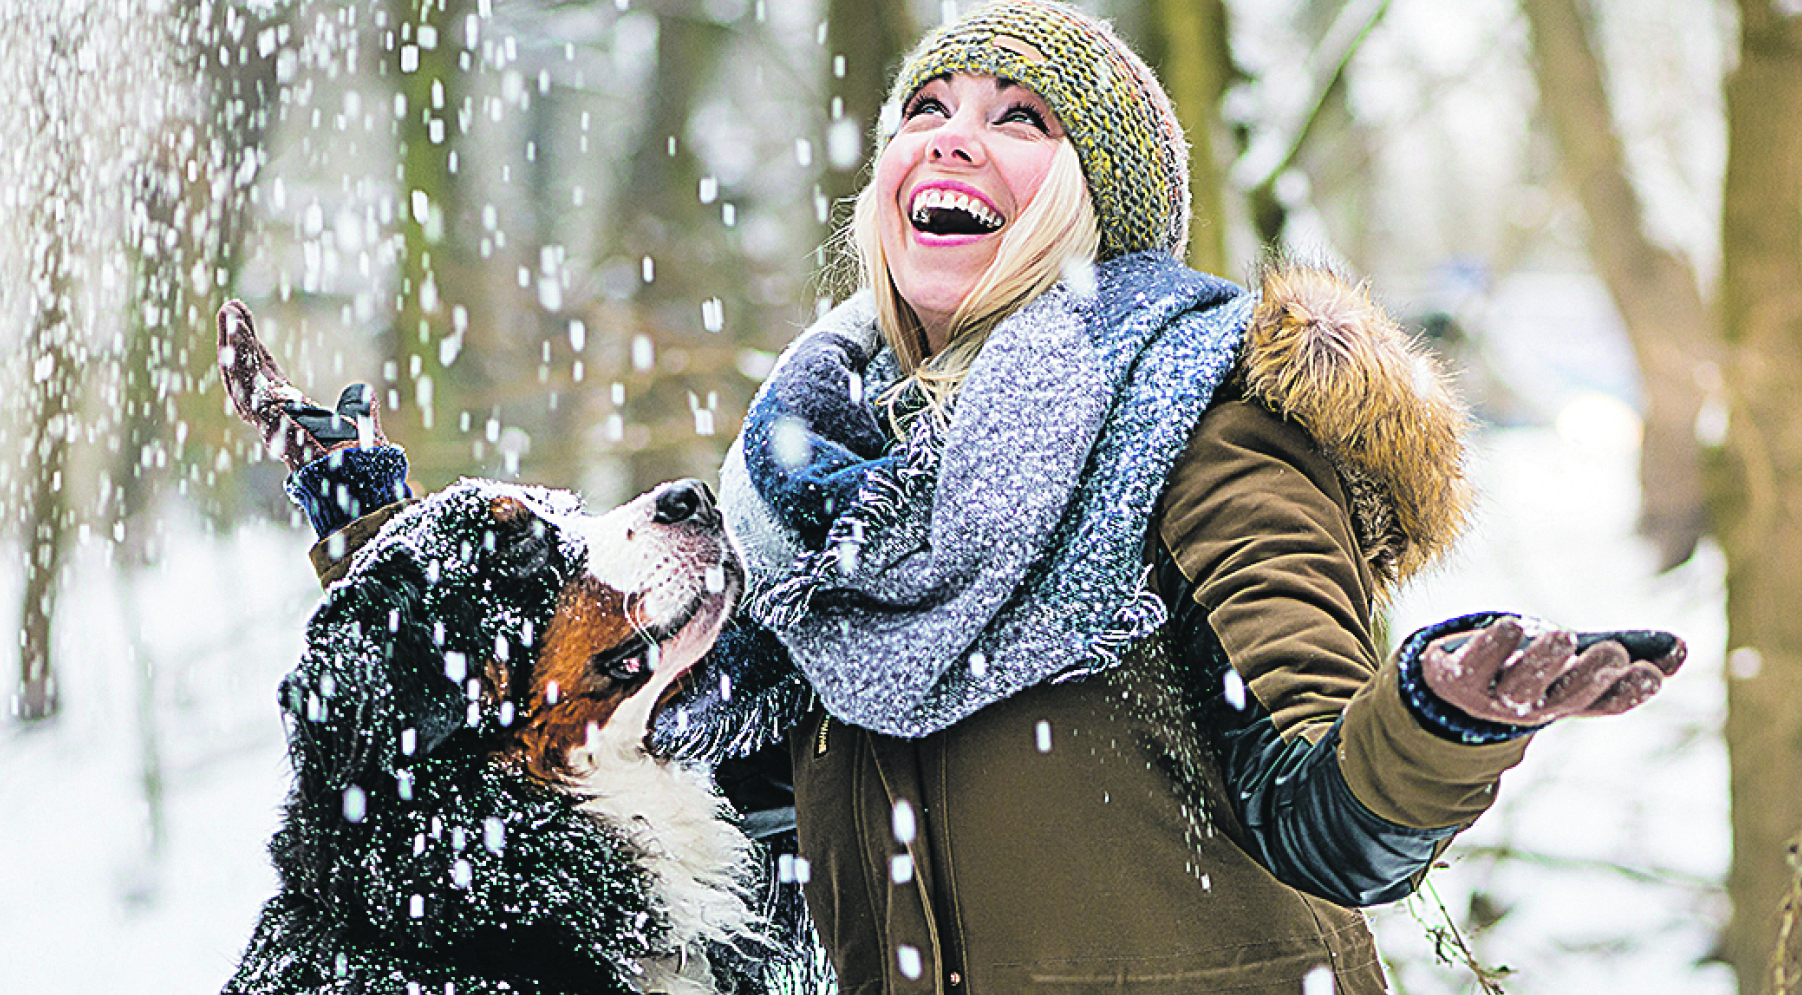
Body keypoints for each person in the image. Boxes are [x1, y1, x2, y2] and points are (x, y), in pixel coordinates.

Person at [660, 2, 1689, 993]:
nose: (949, 141)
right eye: (924, 110)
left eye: (1020, 117)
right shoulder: (806, 481)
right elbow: (740, 843)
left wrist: (1435, 721)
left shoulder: (1199, 429)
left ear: (1097, 203)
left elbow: (1325, 817)